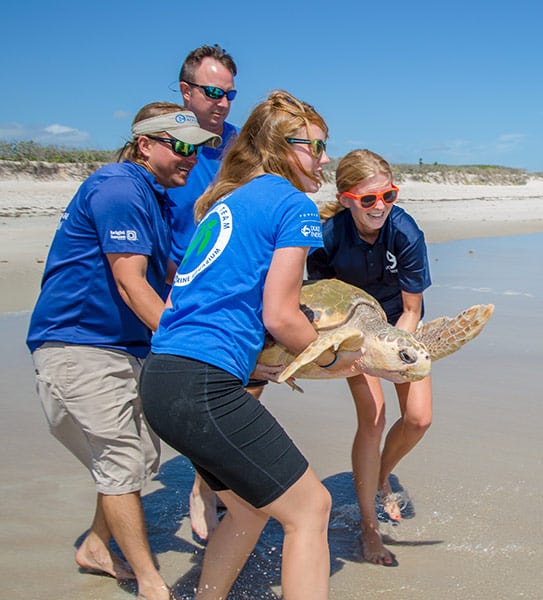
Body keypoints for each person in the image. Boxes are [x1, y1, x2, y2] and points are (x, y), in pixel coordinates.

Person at [140, 90, 358, 599]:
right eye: (316, 146)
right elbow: (280, 315)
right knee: (310, 509)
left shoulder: (225, 203)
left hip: (163, 379)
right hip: (203, 385)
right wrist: (332, 357)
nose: (325, 159)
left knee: (247, 509)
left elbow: (192, 304)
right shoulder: (292, 204)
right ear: (285, 146)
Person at [26, 103, 222, 600]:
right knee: (120, 459)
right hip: (80, 346)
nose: (190, 157)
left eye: (196, 148)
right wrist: (188, 348)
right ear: (144, 145)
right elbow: (132, 282)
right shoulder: (118, 187)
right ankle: (154, 586)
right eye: (180, 146)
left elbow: (176, 280)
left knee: (137, 458)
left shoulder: (153, 199)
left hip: (122, 348)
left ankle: (96, 544)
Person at [307, 149, 433, 567]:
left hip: (398, 327)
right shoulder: (327, 235)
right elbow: (319, 299)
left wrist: (393, 355)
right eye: (368, 200)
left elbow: (412, 309)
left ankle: (380, 475)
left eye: (388, 196)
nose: (380, 206)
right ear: (346, 199)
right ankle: (369, 528)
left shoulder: (406, 233)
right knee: (374, 417)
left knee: (418, 418)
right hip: (354, 331)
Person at [167, 43, 244, 542]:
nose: (221, 102)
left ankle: (205, 486)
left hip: (226, 288)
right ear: (186, 91)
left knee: (228, 393)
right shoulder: (167, 141)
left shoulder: (242, 145)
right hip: (170, 284)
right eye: (213, 91)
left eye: (229, 93)